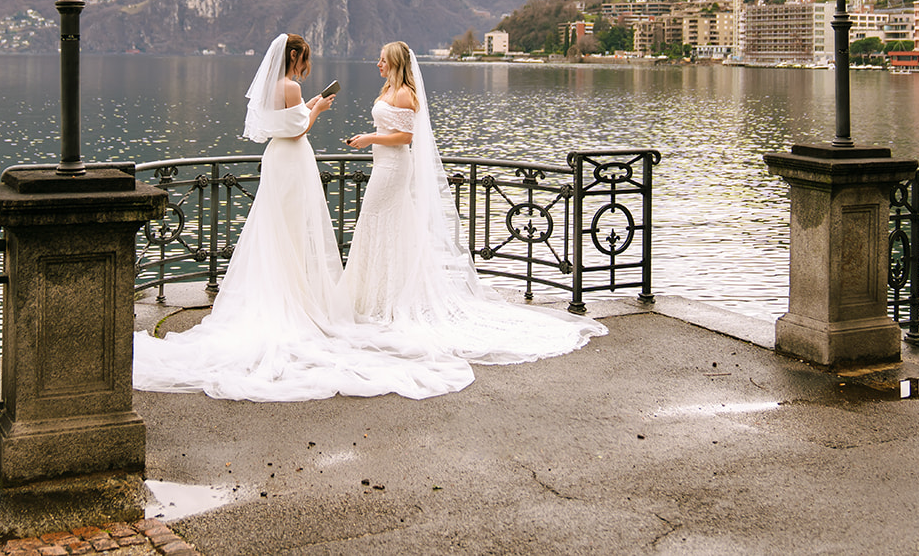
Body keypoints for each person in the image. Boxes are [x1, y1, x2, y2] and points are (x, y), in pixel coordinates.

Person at [133, 33, 470, 401]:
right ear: (295, 56)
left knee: (276, 229)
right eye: (305, 60)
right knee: (293, 231)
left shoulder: (274, 87)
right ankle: (297, 297)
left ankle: (292, 290)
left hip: (278, 159)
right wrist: (317, 111)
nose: (307, 68)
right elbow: (299, 127)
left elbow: (283, 122)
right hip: (293, 160)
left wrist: (309, 106)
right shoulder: (290, 87)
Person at [344, 41, 606, 363]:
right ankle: (376, 295)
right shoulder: (388, 90)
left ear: (396, 63)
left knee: (378, 218)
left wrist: (369, 138)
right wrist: (370, 138)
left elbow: (406, 138)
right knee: (381, 223)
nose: (378, 64)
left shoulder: (403, 95)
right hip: (382, 164)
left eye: (382, 60)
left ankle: (388, 299)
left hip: (394, 167)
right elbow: (390, 128)